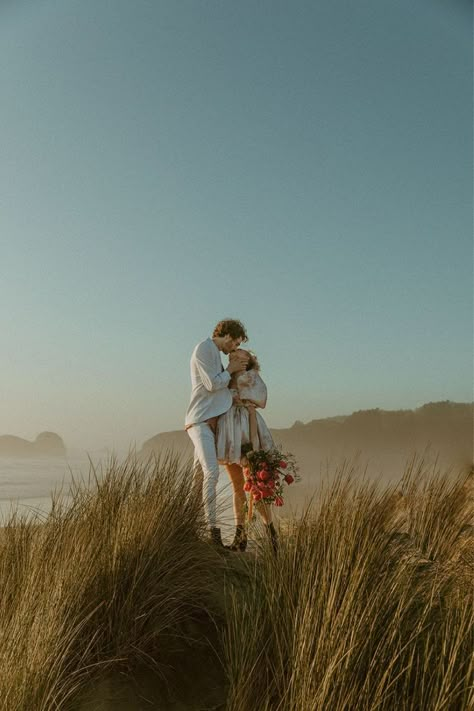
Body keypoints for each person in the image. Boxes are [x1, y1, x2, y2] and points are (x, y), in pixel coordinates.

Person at [185, 319, 249, 548]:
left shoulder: (215, 355)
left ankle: (187, 528)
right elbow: (212, 385)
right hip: (200, 421)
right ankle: (214, 534)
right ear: (229, 336)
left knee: (197, 480)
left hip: (212, 424)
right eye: (236, 344)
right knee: (211, 474)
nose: (233, 349)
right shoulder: (204, 348)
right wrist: (230, 370)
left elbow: (221, 392)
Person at [216, 349, 278, 552]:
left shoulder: (250, 379)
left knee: (256, 488)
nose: (236, 358)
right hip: (228, 432)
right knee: (237, 487)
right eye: (234, 356)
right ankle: (240, 537)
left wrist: (253, 446)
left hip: (244, 430)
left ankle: (271, 535)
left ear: (249, 362)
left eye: (242, 357)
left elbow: (252, 413)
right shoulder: (224, 378)